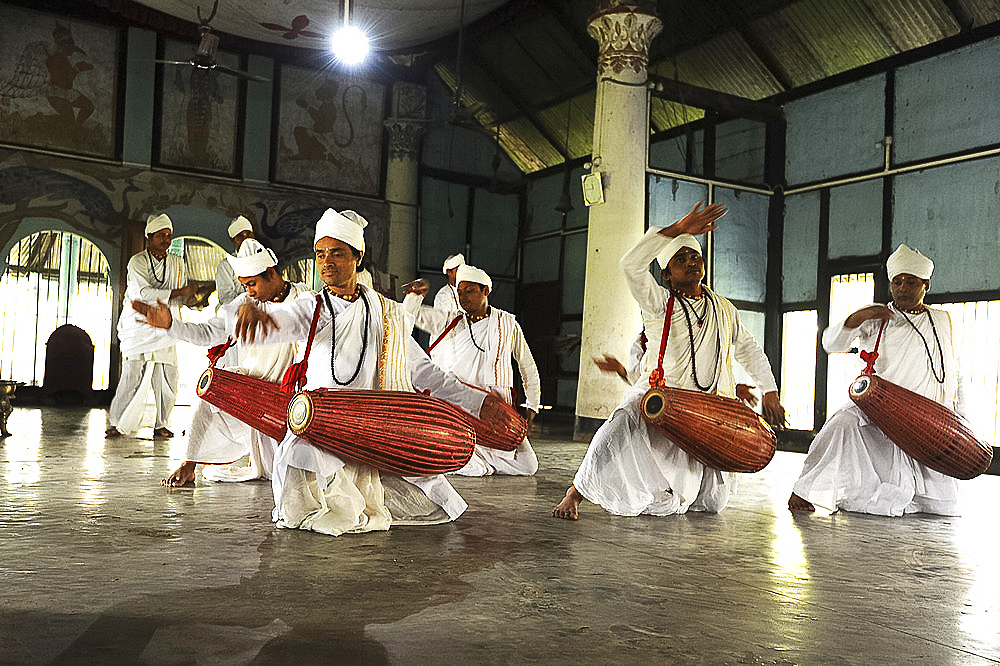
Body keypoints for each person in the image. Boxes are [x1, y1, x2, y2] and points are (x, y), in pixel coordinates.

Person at [232, 208, 506, 536]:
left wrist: (477, 402)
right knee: (298, 468)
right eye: (320, 254)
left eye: (337, 253)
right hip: (319, 425)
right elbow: (278, 322)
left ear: (357, 256)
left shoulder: (387, 313)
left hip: (373, 428)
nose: (327, 262)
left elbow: (424, 371)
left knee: (425, 496)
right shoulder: (309, 307)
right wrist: (254, 313)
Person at [553, 202, 786, 520]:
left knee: (710, 503)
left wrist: (770, 390)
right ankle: (576, 493)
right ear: (666, 273)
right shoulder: (659, 302)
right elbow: (630, 266)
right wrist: (678, 229)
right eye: (681, 259)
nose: (691, 262)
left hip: (703, 408)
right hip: (658, 397)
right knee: (617, 429)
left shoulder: (724, 308)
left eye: (695, 256)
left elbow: (749, 349)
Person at [788, 244, 970, 516]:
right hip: (879, 409)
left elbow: (952, 369)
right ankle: (803, 490)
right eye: (897, 282)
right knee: (840, 423)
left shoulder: (940, 319)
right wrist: (856, 318)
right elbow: (830, 343)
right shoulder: (876, 316)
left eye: (911, 281)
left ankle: (917, 497)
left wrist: (961, 414)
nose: (903, 287)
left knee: (937, 505)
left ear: (926, 285)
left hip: (925, 417)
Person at [133, 239, 311, 487]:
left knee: (290, 472)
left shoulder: (304, 297)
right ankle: (189, 464)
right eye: (244, 285)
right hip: (255, 385)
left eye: (252, 284)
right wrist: (172, 325)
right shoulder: (244, 304)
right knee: (208, 394)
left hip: (294, 391)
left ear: (270, 273)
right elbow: (209, 332)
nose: (249, 291)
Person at [403, 264, 541, 476]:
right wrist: (414, 296)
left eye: (470, 291)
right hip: (462, 406)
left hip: (497, 407)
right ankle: (469, 459)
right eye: (459, 292)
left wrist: (532, 405)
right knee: (476, 467)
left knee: (529, 466)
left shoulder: (507, 323)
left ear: (485, 290)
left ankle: (474, 461)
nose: (463, 297)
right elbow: (410, 317)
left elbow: (527, 365)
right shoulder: (450, 321)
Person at [106, 213, 197, 439]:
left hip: (165, 326)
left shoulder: (177, 262)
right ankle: (116, 422)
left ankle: (162, 424)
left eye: (169, 235)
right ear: (149, 237)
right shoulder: (137, 261)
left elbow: (180, 296)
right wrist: (179, 292)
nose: (166, 240)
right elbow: (142, 293)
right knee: (132, 376)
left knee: (168, 377)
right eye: (161, 235)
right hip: (139, 327)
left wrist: (189, 297)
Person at [215, 215, 256, 308]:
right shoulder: (226, 265)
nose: (246, 239)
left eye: (249, 234)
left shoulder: (264, 259)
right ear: (233, 240)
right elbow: (226, 298)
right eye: (240, 236)